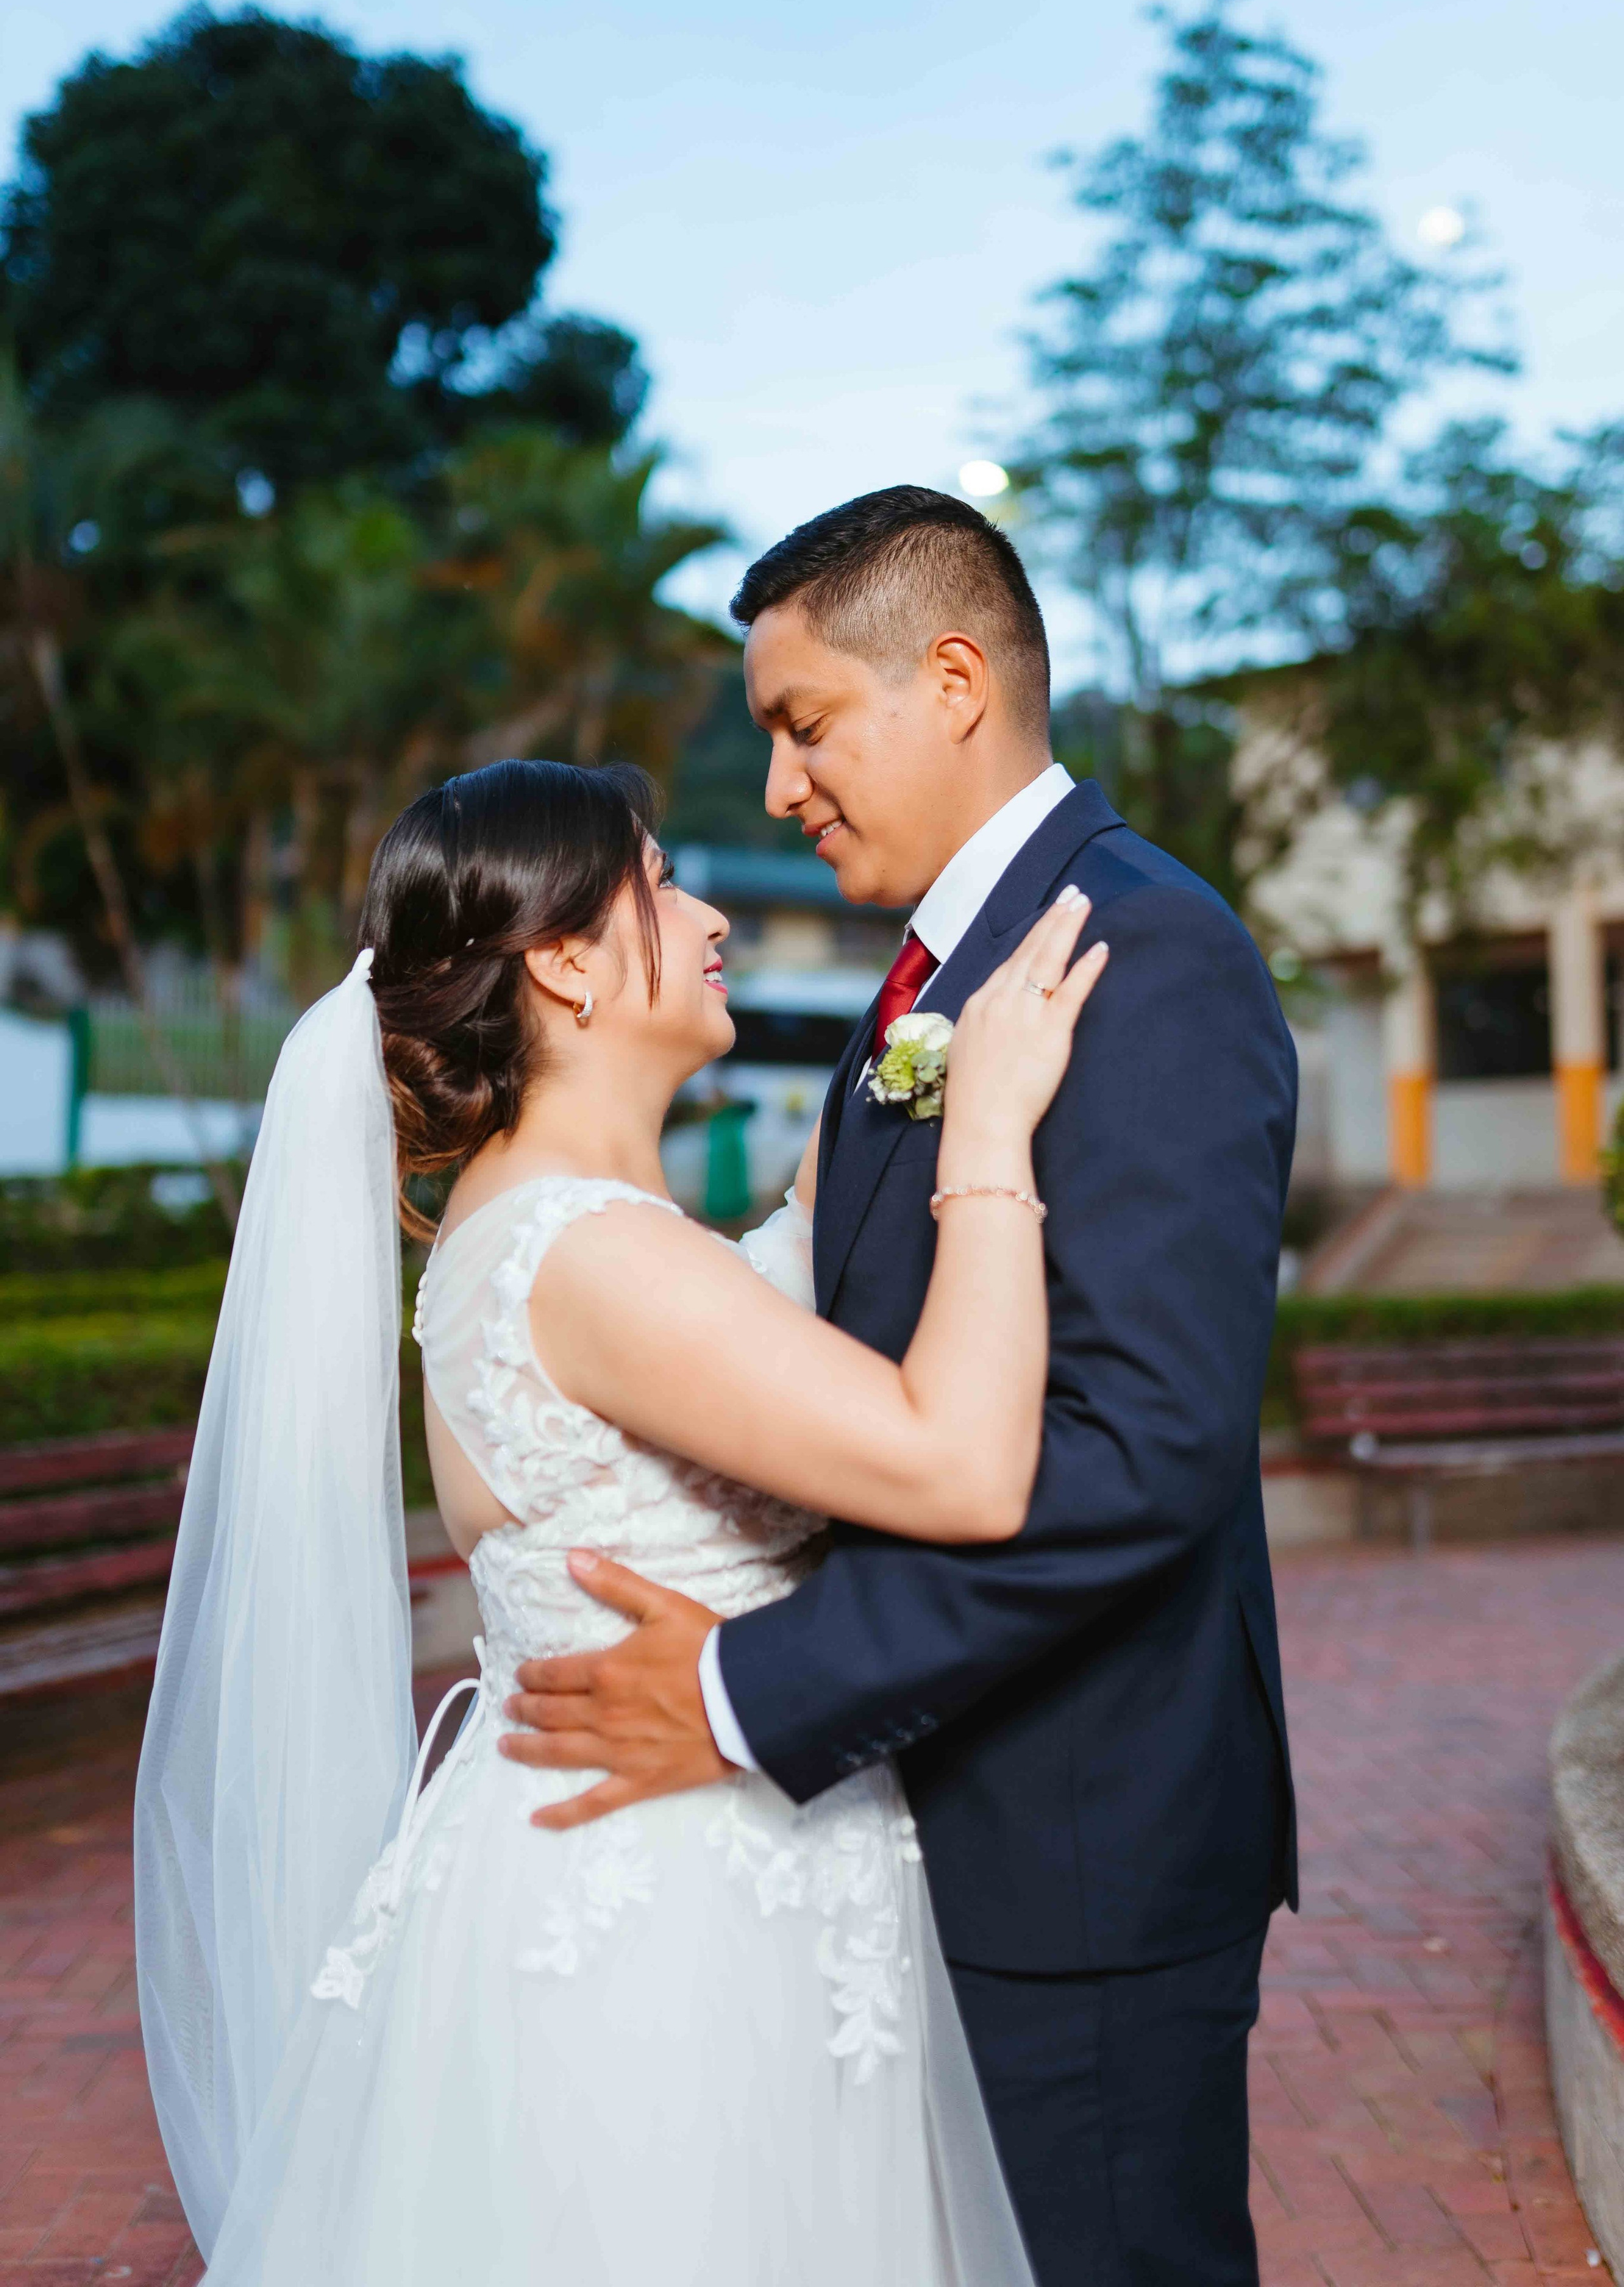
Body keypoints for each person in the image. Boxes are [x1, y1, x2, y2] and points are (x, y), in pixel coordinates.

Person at [134, 751, 1108, 2285]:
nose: (707, 911)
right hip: (670, 1917)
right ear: (565, 962)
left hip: (659, 1858)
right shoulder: (583, 1256)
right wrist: (982, 1139)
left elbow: (770, 1279)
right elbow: (964, 1471)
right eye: (657, 883)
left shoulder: (580, 1237)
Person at [502, 486, 1300, 2286]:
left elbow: (1140, 1452)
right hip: (920, 1829)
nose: (778, 788)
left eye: (804, 726)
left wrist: (744, 1691)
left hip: (1077, 1847)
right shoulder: (938, 983)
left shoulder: (1142, 953)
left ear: (954, 680)